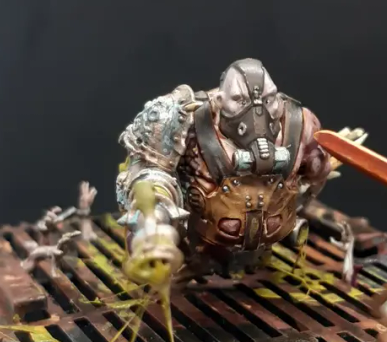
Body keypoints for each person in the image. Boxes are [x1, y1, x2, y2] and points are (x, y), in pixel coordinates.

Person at [116, 58, 332, 280]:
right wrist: (156, 214)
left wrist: (295, 202)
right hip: (198, 249)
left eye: (268, 100)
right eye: (239, 100)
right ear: (220, 100)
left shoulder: (299, 124)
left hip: (266, 248)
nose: (258, 113)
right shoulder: (185, 118)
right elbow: (148, 171)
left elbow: (317, 175)